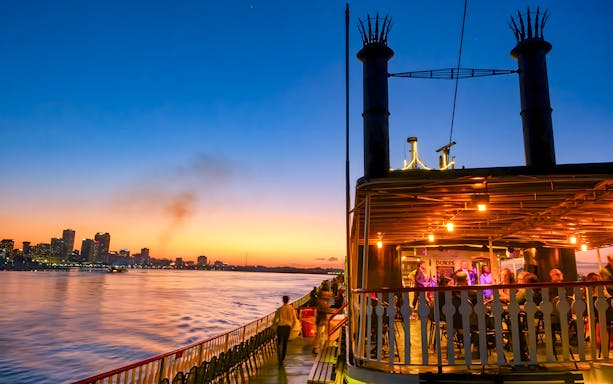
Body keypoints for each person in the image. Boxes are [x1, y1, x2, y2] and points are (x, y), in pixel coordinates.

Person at [274, 295, 299, 364]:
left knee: (279, 343)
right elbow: (294, 320)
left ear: (283, 300)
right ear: (288, 300)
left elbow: (275, 320)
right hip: (288, 327)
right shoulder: (291, 309)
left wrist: (274, 327)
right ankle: (282, 359)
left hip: (280, 327)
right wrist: (292, 327)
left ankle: (279, 357)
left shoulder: (280, 309)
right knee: (285, 343)